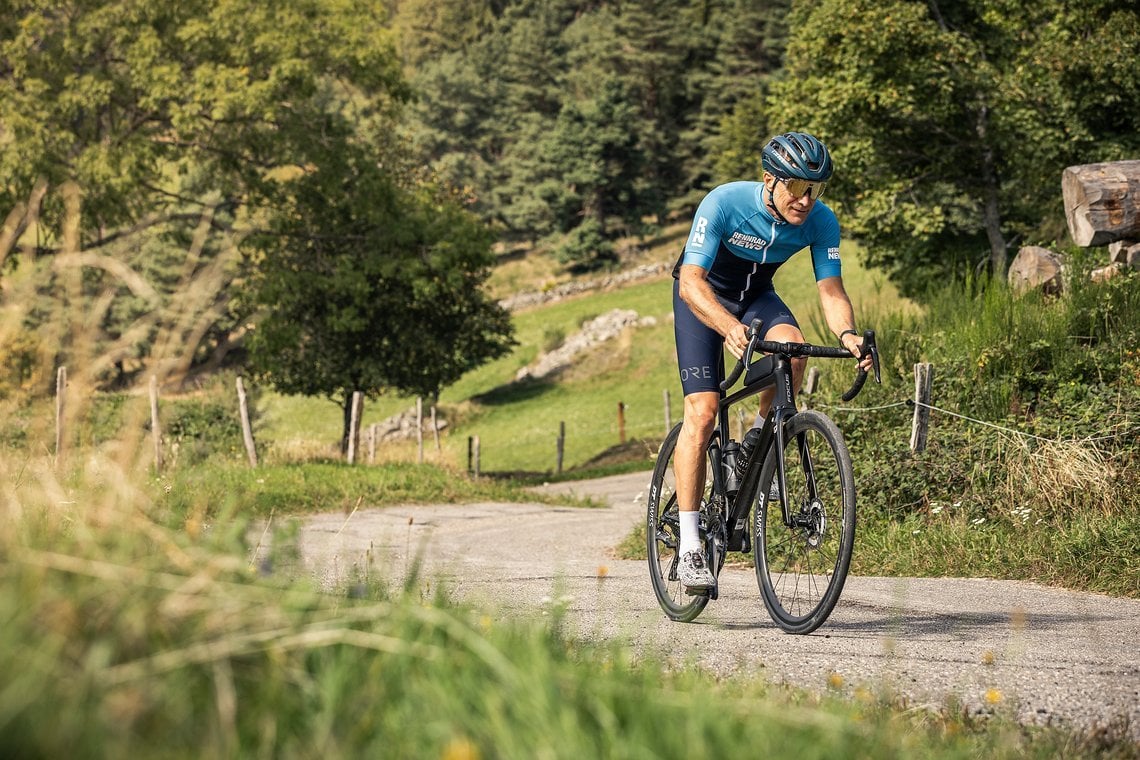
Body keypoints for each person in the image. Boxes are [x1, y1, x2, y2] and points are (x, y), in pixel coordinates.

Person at [671, 130, 872, 591]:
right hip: (702, 299)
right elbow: (690, 282)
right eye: (797, 187)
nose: (805, 200)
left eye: (814, 189)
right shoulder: (724, 203)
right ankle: (688, 548)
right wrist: (726, 327)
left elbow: (831, 290)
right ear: (770, 179)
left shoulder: (821, 221)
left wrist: (847, 334)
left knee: (795, 352)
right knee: (702, 413)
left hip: (757, 297)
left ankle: (756, 445)